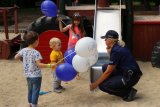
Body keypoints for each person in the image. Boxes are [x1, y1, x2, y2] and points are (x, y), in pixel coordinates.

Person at [90, 30, 143, 102]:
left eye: (105, 39)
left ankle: (128, 92)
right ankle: (116, 83)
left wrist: (95, 84)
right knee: (105, 67)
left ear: (110, 40)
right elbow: (111, 64)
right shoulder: (118, 45)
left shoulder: (116, 50)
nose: (104, 41)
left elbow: (108, 72)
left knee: (102, 86)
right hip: (130, 73)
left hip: (131, 77)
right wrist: (109, 52)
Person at [14, 31, 55, 107]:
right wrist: (50, 65)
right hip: (36, 76)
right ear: (36, 41)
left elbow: (16, 57)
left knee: (30, 90)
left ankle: (30, 103)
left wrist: (25, 60)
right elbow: (39, 65)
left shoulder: (23, 50)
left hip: (28, 75)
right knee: (35, 91)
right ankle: (34, 105)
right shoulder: (36, 53)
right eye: (38, 40)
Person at [58, 12, 85, 80]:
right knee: (69, 59)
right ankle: (69, 72)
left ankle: (77, 74)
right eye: (75, 20)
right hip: (70, 46)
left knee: (77, 60)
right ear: (73, 20)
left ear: (80, 21)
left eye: (78, 20)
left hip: (78, 47)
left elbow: (82, 38)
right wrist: (60, 22)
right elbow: (61, 30)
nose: (76, 22)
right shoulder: (70, 26)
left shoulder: (81, 29)